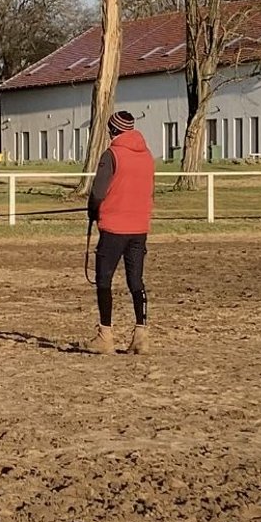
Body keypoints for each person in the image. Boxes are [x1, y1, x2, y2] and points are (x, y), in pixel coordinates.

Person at [86, 110, 153, 354]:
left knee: (104, 279)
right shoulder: (147, 156)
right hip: (139, 228)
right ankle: (141, 334)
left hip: (114, 227)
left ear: (114, 130)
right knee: (136, 280)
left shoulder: (111, 154)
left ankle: (105, 335)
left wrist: (92, 211)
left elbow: (98, 193)